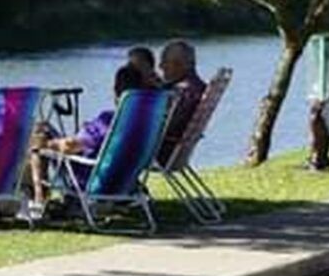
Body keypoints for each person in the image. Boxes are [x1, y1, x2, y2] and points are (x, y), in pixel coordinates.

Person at [30, 65, 147, 205]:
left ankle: (39, 199)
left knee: (40, 131)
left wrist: (45, 145)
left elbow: (70, 146)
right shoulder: (145, 124)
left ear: (115, 91)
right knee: (44, 130)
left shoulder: (109, 120)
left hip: (89, 179)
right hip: (124, 184)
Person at [157, 40, 206, 165]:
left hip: (160, 152)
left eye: (165, 61)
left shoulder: (184, 92)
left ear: (183, 65)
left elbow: (168, 127)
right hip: (176, 152)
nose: (160, 66)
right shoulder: (197, 87)